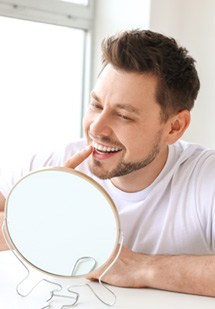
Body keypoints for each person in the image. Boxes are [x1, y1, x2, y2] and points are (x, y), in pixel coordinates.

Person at [0, 29, 215, 297]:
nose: (97, 128)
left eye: (124, 116)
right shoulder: (52, 165)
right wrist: (33, 221)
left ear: (174, 127)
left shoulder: (205, 177)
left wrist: (141, 268)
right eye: (96, 105)